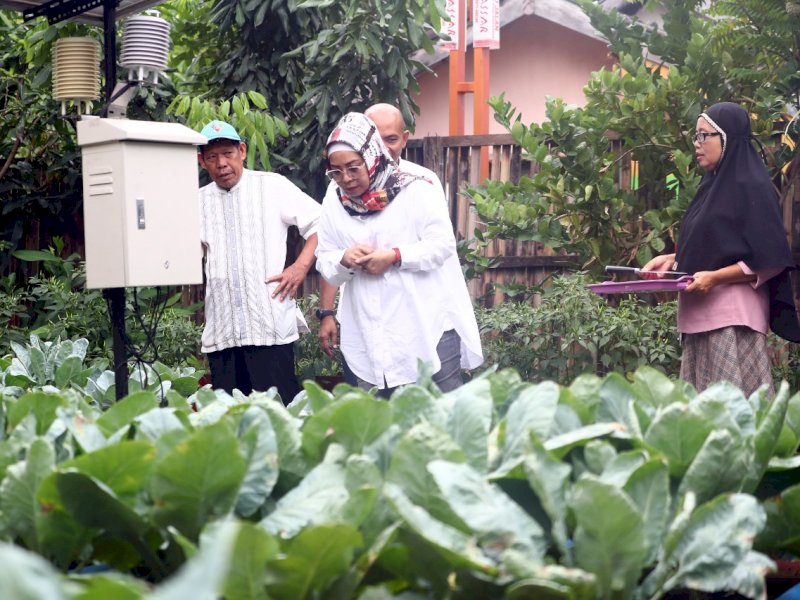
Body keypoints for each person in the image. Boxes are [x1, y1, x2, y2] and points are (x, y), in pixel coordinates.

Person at [315, 112, 483, 396]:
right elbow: (325, 257)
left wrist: (393, 256)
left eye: (354, 167)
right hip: (367, 331)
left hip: (425, 325)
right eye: (336, 171)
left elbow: (441, 245)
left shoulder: (416, 186)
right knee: (381, 425)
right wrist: (343, 259)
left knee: (441, 419)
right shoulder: (334, 197)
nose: (346, 178)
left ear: (371, 155)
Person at [642, 102, 800, 396]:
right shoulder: (709, 188)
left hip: (731, 321)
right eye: (695, 137)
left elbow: (770, 258)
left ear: (727, 138)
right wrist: (672, 259)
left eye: (705, 136)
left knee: (733, 417)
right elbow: (717, 245)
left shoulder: (752, 185)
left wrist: (715, 279)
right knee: (702, 422)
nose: (697, 144)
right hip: (697, 319)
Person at [197, 120, 322, 403]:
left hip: (268, 327)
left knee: (279, 412)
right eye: (212, 157)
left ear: (242, 151)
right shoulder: (197, 202)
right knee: (229, 420)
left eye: (228, 153)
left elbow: (321, 223)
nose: (221, 163)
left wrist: (300, 267)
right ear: (202, 161)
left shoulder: (272, 187)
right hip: (223, 331)